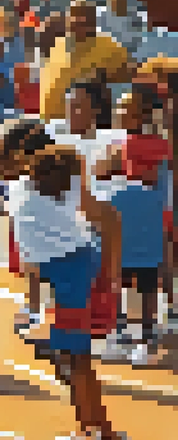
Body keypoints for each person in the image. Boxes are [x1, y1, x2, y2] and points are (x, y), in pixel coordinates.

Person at [0, 118, 161, 440]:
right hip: (65, 275)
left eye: (1, 145)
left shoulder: (51, 183)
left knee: (75, 363)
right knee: (66, 360)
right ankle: (95, 433)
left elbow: (110, 219)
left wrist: (111, 277)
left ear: (24, 154)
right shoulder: (30, 182)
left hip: (74, 275)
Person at [93, 89, 169, 366]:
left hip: (146, 225)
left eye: (127, 109)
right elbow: (100, 172)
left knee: (146, 284)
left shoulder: (157, 147)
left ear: (143, 114)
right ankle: (121, 334)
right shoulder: (117, 144)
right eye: (119, 109)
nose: (121, 114)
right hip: (122, 224)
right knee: (120, 281)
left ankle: (145, 338)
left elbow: (153, 179)